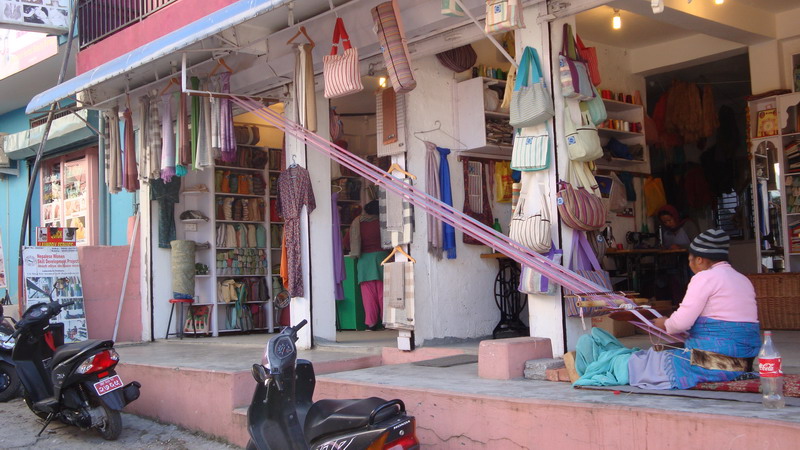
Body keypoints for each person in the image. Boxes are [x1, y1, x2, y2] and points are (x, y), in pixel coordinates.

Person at [574, 229, 761, 389]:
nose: (690, 265)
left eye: (690, 260)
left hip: (711, 365)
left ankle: (603, 362)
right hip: (742, 364)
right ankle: (608, 358)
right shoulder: (742, 279)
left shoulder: (705, 278)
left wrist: (665, 323)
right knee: (646, 356)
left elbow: (681, 323)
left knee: (634, 363)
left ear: (700, 260)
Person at [348, 200, 389, 331]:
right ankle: (387, 321)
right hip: (383, 258)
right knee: (384, 293)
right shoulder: (383, 222)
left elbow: (347, 242)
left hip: (364, 261)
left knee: (368, 295)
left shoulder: (357, 223)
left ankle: (371, 324)